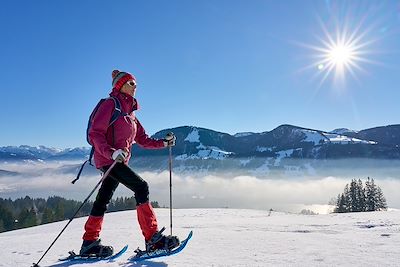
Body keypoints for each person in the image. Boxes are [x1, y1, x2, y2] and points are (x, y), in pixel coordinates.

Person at [80, 69, 179, 257]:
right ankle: (152, 239)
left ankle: (89, 242)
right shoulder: (110, 105)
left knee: (103, 198)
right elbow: (95, 133)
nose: (135, 87)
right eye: (131, 83)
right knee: (141, 187)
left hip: (118, 160)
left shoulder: (131, 115)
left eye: (136, 84)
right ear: (120, 85)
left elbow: (143, 139)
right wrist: (110, 152)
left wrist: (163, 144)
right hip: (109, 159)